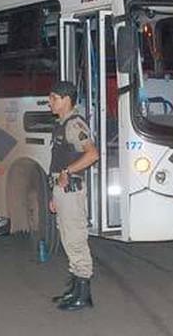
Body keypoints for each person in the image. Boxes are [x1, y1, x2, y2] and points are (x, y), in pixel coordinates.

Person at [48, 80, 99, 311]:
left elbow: (92, 155)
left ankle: (83, 294)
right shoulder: (61, 124)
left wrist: (68, 172)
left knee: (76, 239)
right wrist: (54, 194)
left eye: (53, 98)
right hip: (62, 191)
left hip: (72, 191)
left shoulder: (74, 125)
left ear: (66, 100)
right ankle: (75, 288)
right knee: (68, 238)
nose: (50, 102)